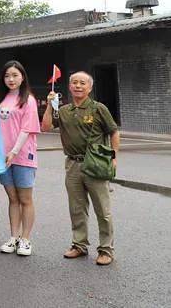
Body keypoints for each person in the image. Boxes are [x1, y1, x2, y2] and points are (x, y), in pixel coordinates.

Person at [41, 71, 120, 266]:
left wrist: (113, 156)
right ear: (69, 87)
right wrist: (50, 105)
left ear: (90, 87)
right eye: (74, 82)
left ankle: (106, 250)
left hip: (96, 163)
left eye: (82, 83)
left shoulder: (98, 108)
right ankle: (79, 245)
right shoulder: (64, 110)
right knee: (76, 208)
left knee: (103, 210)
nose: (78, 86)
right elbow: (45, 127)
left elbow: (114, 132)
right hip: (72, 164)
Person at [0, 61, 41, 257]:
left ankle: (26, 239)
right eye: (7, 76)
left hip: (22, 156)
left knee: (25, 199)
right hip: (3, 157)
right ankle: (13, 237)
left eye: (15, 75)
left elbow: (26, 129)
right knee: (12, 199)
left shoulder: (28, 100)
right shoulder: (0, 100)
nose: (11, 79)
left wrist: (13, 151)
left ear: (22, 77)